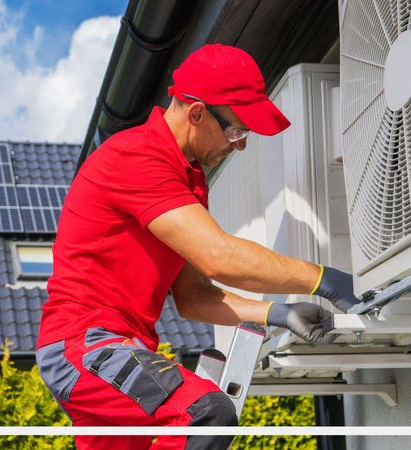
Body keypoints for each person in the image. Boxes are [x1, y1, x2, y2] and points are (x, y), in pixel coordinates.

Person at [36, 43, 359, 450]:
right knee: (205, 412)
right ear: (197, 113)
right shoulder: (138, 157)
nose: (240, 145)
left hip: (120, 348)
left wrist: (280, 312)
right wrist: (324, 279)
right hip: (87, 346)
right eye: (237, 130)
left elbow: (193, 296)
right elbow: (218, 256)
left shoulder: (186, 179)